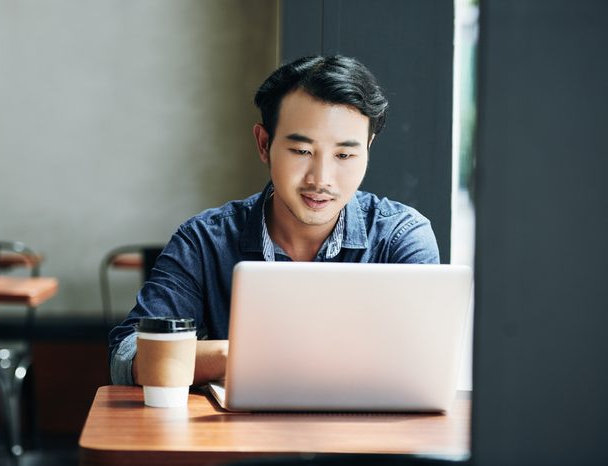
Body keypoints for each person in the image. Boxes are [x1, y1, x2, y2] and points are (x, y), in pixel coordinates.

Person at [109, 55, 440, 386]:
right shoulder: (205, 240)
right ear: (264, 144)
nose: (321, 179)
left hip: (363, 435)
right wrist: (234, 355)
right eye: (302, 151)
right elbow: (129, 357)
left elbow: (424, 365)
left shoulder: (400, 237)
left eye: (344, 155)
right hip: (235, 436)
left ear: (368, 148)